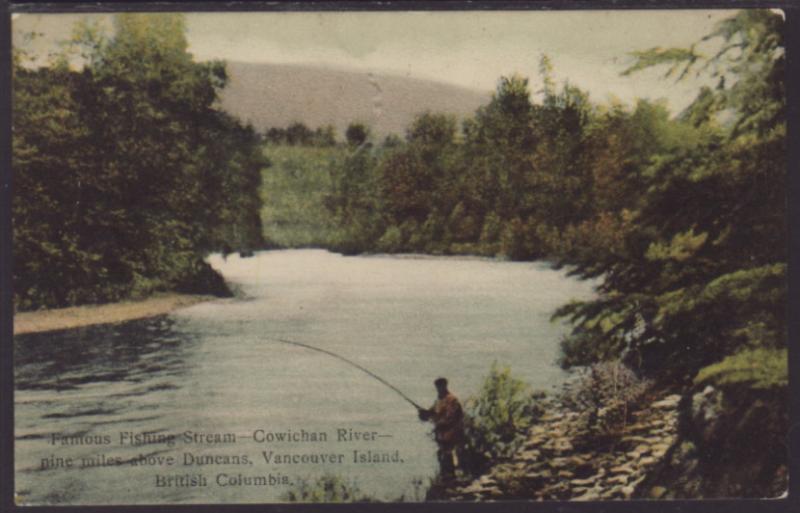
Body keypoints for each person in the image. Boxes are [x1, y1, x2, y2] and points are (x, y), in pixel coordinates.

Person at [418, 377, 465, 479]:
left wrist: (438, 422)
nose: (438, 389)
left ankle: (454, 480)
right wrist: (423, 413)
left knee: (451, 458)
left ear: (444, 386)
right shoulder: (438, 401)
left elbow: (450, 419)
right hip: (442, 437)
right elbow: (430, 414)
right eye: (437, 387)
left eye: (439, 387)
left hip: (452, 436)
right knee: (443, 458)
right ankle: (446, 479)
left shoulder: (452, 400)